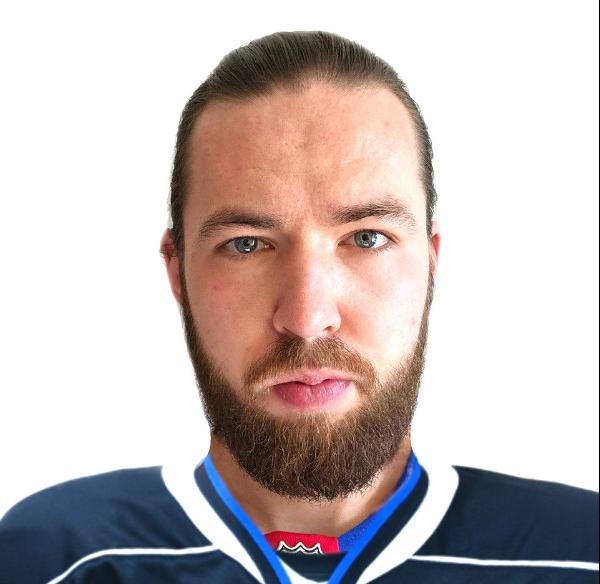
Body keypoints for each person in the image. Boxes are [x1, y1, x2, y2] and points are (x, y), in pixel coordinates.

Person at [0, 31, 597, 584]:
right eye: (247, 244)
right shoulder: (55, 559)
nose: (308, 318)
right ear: (178, 270)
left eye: (367, 238)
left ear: (431, 262)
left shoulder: (579, 552)